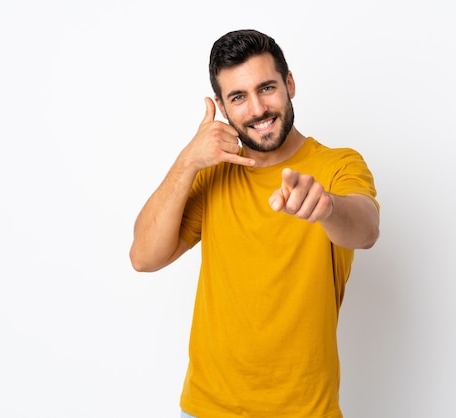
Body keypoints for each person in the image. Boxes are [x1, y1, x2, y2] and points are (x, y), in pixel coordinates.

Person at [130, 29, 380, 418]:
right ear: (222, 107)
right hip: (207, 409)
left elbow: (366, 230)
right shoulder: (213, 174)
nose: (258, 109)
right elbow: (143, 257)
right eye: (238, 97)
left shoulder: (337, 165)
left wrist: (326, 207)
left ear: (290, 84)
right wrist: (188, 160)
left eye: (266, 87)